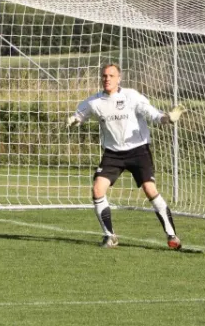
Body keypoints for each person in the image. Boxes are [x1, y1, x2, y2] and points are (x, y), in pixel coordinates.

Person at [66, 63, 186, 249]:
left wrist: (167, 118)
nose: (107, 79)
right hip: (113, 153)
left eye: (111, 76)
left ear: (119, 78)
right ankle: (109, 236)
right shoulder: (94, 102)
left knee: (149, 189)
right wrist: (74, 120)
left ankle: (172, 235)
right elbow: (80, 115)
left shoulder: (131, 96)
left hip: (138, 150)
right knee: (98, 189)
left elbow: (153, 114)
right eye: (104, 76)